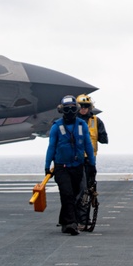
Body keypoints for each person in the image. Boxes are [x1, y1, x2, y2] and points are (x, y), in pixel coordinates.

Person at [45, 95, 95, 235]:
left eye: (72, 109)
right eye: (67, 109)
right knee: (67, 193)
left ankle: (64, 219)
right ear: (62, 110)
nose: (70, 112)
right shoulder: (56, 127)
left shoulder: (81, 125)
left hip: (78, 166)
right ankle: (70, 223)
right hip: (62, 167)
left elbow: (88, 145)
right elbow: (51, 147)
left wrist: (92, 163)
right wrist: (47, 166)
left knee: (73, 195)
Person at [75, 94, 107, 230]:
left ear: (90, 107)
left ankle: (84, 218)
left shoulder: (96, 121)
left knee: (88, 190)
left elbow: (104, 138)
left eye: (86, 106)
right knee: (77, 190)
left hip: (90, 161)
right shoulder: (72, 120)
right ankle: (75, 218)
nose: (83, 109)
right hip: (75, 160)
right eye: (81, 106)